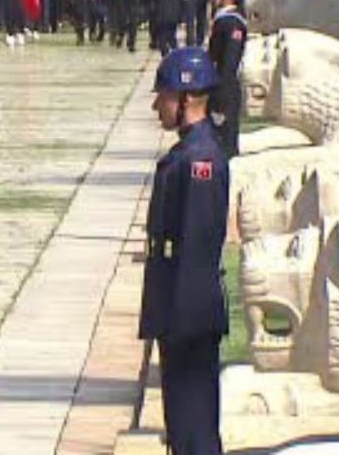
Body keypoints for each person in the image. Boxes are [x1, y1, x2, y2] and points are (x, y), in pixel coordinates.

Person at [138, 46, 229, 455]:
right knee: (182, 426)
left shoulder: (200, 160)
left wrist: (180, 320)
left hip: (188, 313)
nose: (159, 104)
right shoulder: (188, 153)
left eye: (165, 95)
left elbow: (198, 242)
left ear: (188, 99)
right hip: (176, 306)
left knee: (194, 431)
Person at [205, 0, 249, 158]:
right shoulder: (223, 20)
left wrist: (220, 99)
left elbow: (228, 64)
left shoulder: (232, 23)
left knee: (224, 147)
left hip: (224, 91)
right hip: (217, 87)